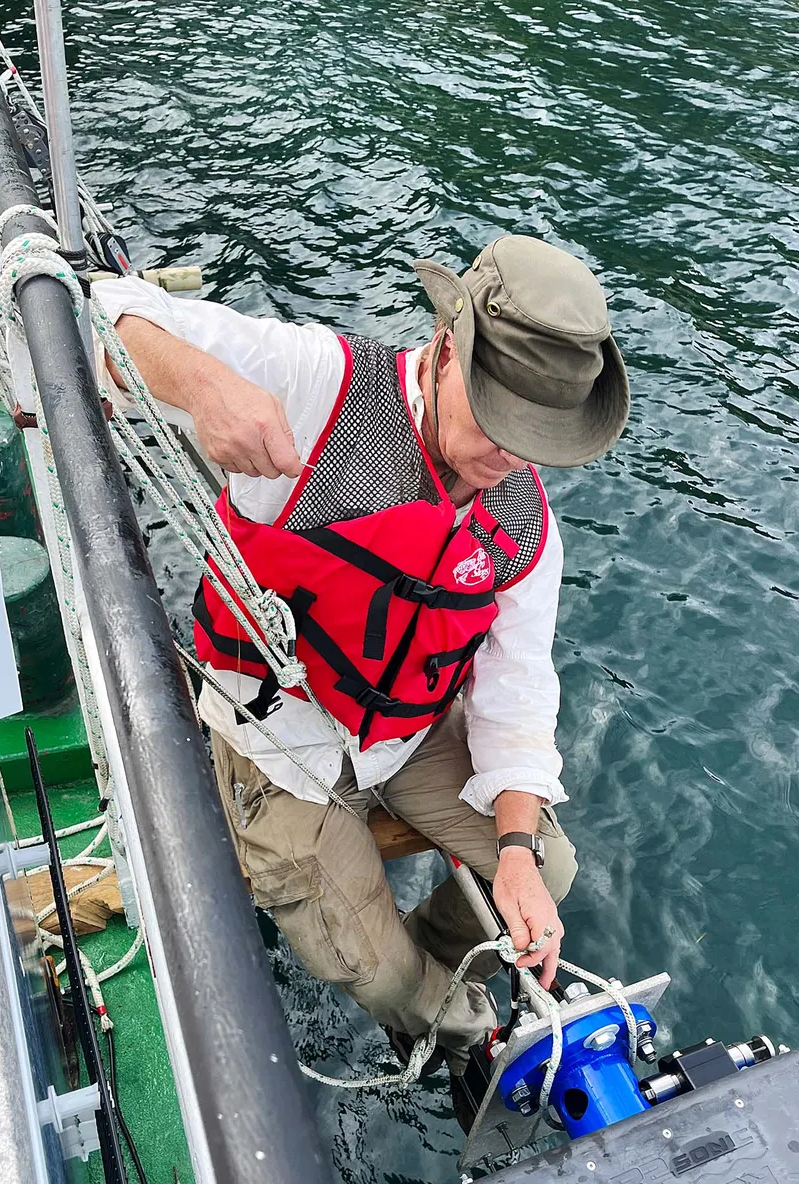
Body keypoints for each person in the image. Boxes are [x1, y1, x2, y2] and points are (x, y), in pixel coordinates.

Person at [95, 234, 629, 1124]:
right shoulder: (320, 386)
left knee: (553, 869)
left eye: (537, 437)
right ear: (447, 347)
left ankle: (425, 975)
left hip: (404, 733)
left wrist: (517, 854)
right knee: (375, 968)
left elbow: (517, 694)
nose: (510, 454)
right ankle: (460, 1028)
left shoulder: (524, 526)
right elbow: (98, 315)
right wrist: (199, 384)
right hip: (277, 729)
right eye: (498, 418)